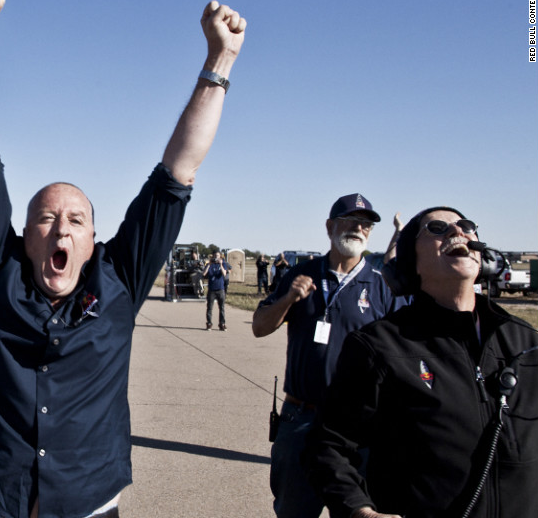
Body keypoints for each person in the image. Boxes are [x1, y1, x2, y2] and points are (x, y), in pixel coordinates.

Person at [0, 0, 245, 518]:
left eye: (76, 220)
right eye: (46, 218)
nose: (61, 229)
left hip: (87, 499)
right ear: (25, 234)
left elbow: (179, 170)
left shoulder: (120, 279)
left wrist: (219, 62)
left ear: (92, 240)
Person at [305, 207, 538, 518]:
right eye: (438, 228)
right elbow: (328, 444)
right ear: (409, 262)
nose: (458, 232)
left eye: (466, 226)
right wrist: (359, 510)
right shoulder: (379, 346)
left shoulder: (527, 344)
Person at [251, 193, 403, 518]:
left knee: (354, 512)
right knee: (293, 510)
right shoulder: (300, 274)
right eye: (350, 221)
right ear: (330, 226)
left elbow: (403, 351)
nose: (358, 229)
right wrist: (289, 299)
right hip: (300, 419)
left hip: (356, 427)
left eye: (366, 224)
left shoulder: (381, 288)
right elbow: (260, 327)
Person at [203, 251, 228, 331]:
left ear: (220, 257)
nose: (216, 258)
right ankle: (209, 323)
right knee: (209, 308)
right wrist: (209, 264)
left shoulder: (223, 264)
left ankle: (222, 324)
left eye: (217, 256)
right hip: (212, 289)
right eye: (215, 256)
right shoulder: (209, 264)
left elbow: (224, 274)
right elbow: (204, 274)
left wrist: (220, 264)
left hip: (220, 289)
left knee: (222, 308)